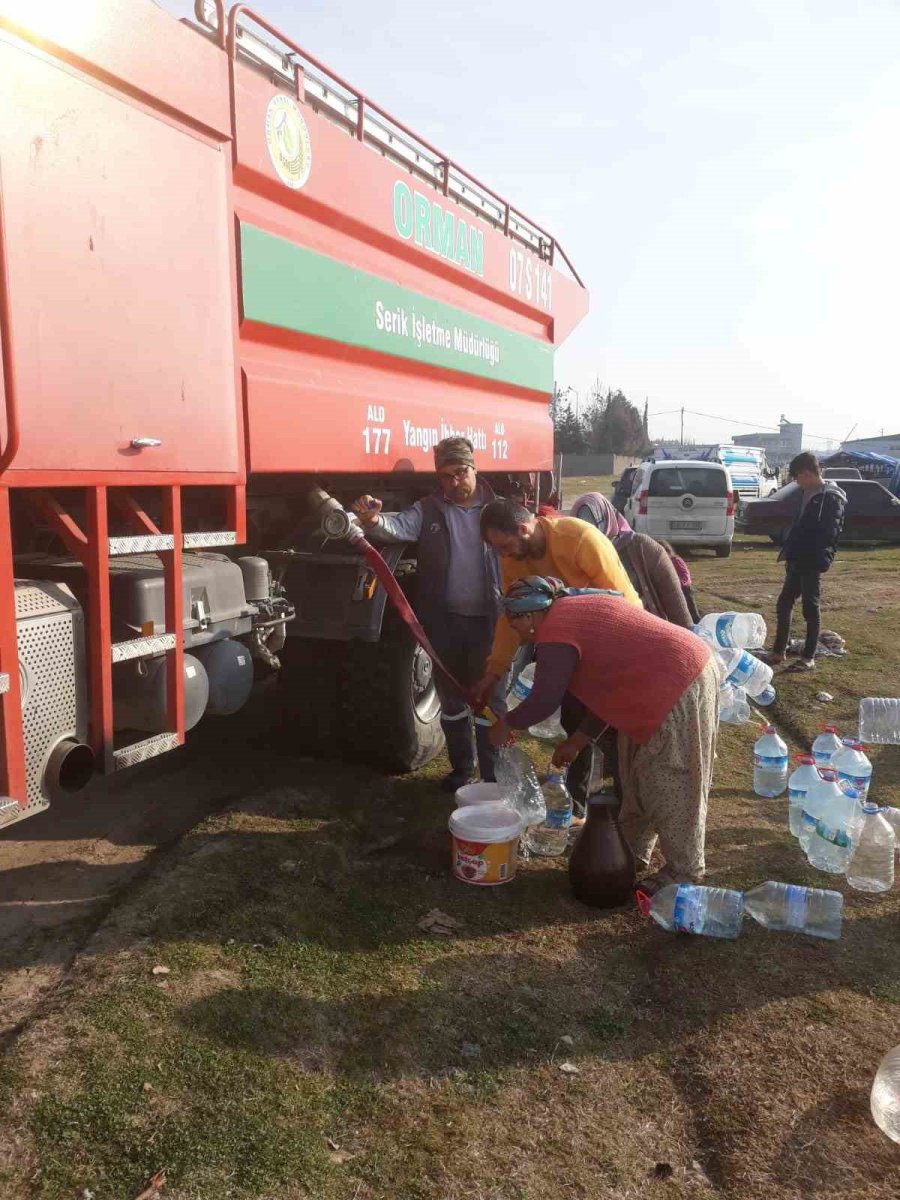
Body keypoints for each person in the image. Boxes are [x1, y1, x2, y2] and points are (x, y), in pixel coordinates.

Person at [487, 576, 719, 890]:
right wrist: (578, 741)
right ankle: (629, 850)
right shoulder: (570, 611)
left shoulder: (556, 629)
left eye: (514, 625)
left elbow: (544, 699)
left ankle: (684, 871)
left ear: (528, 616)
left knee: (670, 779)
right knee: (634, 773)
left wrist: (506, 724)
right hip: (658, 678)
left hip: (678, 679)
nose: (517, 634)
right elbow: (608, 688)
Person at [351, 437, 507, 791]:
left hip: (490, 623)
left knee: (490, 701)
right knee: (451, 700)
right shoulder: (429, 509)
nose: (454, 481)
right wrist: (372, 519)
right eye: (445, 476)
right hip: (444, 623)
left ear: (474, 468)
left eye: (460, 472)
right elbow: (397, 527)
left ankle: (493, 777)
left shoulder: (498, 510)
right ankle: (462, 770)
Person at [473, 499, 641, 815]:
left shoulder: (579, 539)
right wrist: (494, 671)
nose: (503, 555)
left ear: (523, 529)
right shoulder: (514, 558)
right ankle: (577, 807)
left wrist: (509, 722)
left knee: (615, 732)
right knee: (574, 723)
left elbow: (624, 603)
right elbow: (511, 618)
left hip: (612, 644)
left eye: (504, 546)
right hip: (568, 649)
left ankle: (624, 813)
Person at [759, 452, 846, 672]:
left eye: (797, 477)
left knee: (810, 607)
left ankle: (808, 657)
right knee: (784, 602)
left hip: (812, 560)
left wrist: (819, 560)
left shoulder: (830, 498)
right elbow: (800, 525)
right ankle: (779, 651)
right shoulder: (806, 493)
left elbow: (830, 534)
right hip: (797, 558)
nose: (797, 482)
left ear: (807, 473)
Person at [570, 492, 694, 627]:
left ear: (606, 519)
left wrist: (687, 633)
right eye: (581, 527)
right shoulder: (574, 555)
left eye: (592, 526)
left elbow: (677, 607)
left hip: (646, 631)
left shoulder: (642, 548)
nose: (588, 535)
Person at [656, 539, 701, 625]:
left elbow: (685, 575)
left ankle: (698, 626)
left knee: (692, 612)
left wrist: (679, 584)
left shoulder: (676, 560)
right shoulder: (661, 564)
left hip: (685, 590)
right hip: (672, 590)